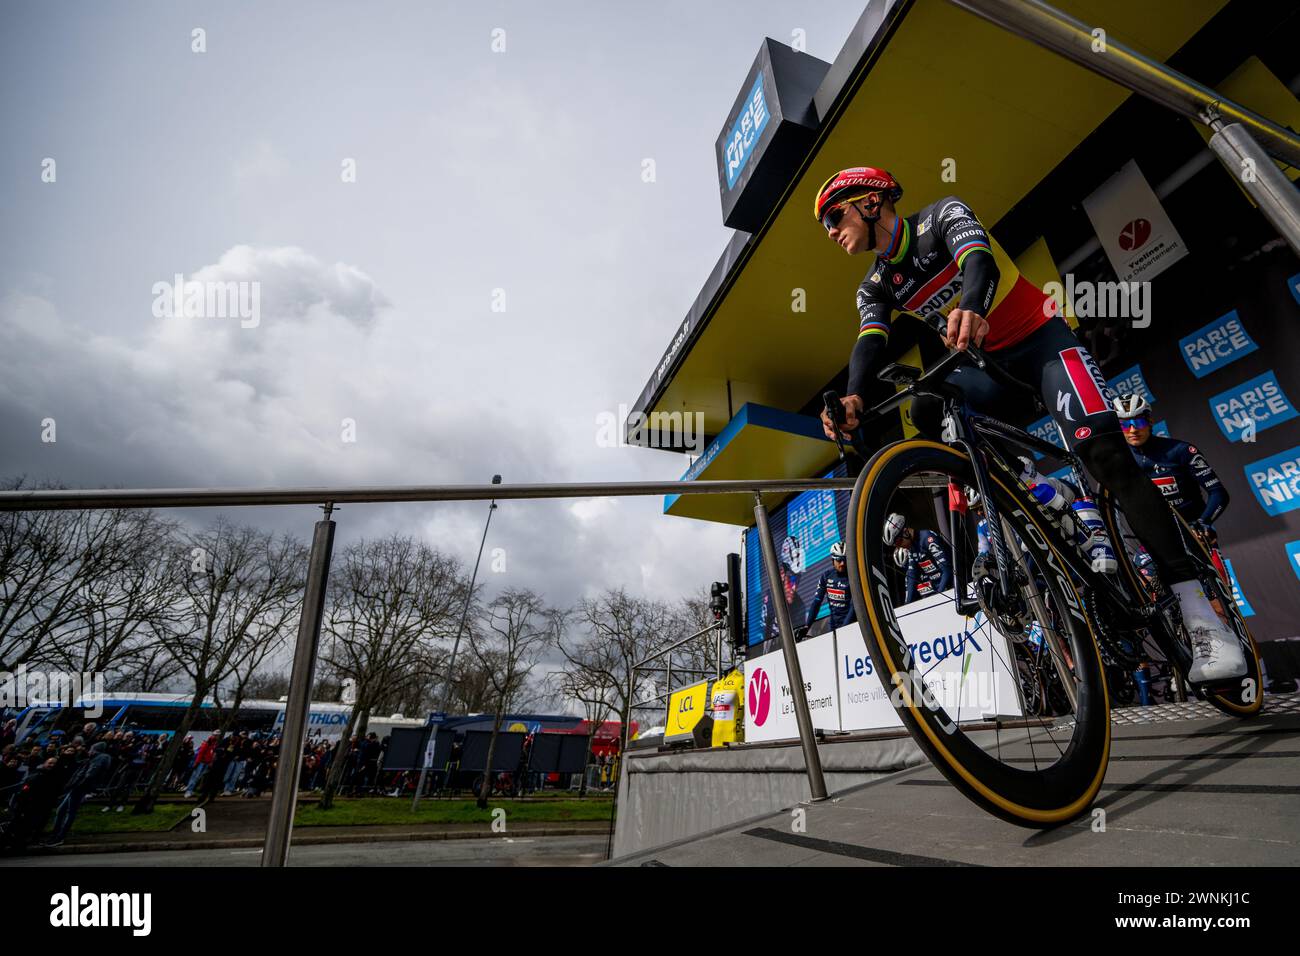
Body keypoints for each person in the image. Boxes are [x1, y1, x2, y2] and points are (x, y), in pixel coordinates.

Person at [812, 166, 1245, 684]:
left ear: (871, 202)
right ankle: (1042, 492)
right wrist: (855, 396)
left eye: (834, 215)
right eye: (824, 225)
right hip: (988, 369)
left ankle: (1200, 615)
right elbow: (871, 341)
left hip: (1042, 343)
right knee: (927, 407)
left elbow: (980, 262)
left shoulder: (940, 216)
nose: (831, 230)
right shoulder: (875, 285)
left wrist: (972, 307)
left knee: (1106, 456)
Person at [1113, 394, 1229, 534]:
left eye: (1138, 422)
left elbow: (1218, 493)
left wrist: (1203, 522)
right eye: (1124, 425)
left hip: (1193, 531)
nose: (1133, 430)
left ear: (1150, 421)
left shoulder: (1182, 450)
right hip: (1156, 538)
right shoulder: (1119, 460)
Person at [43, 741, 114, 847]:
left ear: (95, 750)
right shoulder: (92, 759)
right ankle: (55, 834)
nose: (89, 751)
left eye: (91, 749)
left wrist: (76, 785)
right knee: (61, 810)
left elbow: (89, 775)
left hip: (79, 788)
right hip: (77, 787)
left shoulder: (98, 759)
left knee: (69, 812)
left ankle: (60, 837)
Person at [884, 513, 953, 604]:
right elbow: (912, 577)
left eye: (899, 542)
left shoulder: (927, 538)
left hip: (952, 588)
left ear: (905, 532)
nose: (900, 546)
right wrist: (907, 606)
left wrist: (939, 596)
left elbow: (947, 570)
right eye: (896, 545)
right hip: (939, 591)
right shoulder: (912, 548)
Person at [804, 541, 856, 632]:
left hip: (851, 625)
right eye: (839, 560)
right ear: (833, 560)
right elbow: (816, 603)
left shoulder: (853, 576)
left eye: (845, 559)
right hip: (833, 627)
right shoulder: (826, 576)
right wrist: (806, 627)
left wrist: (844, 629)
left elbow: (854, 606)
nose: (843, 563)